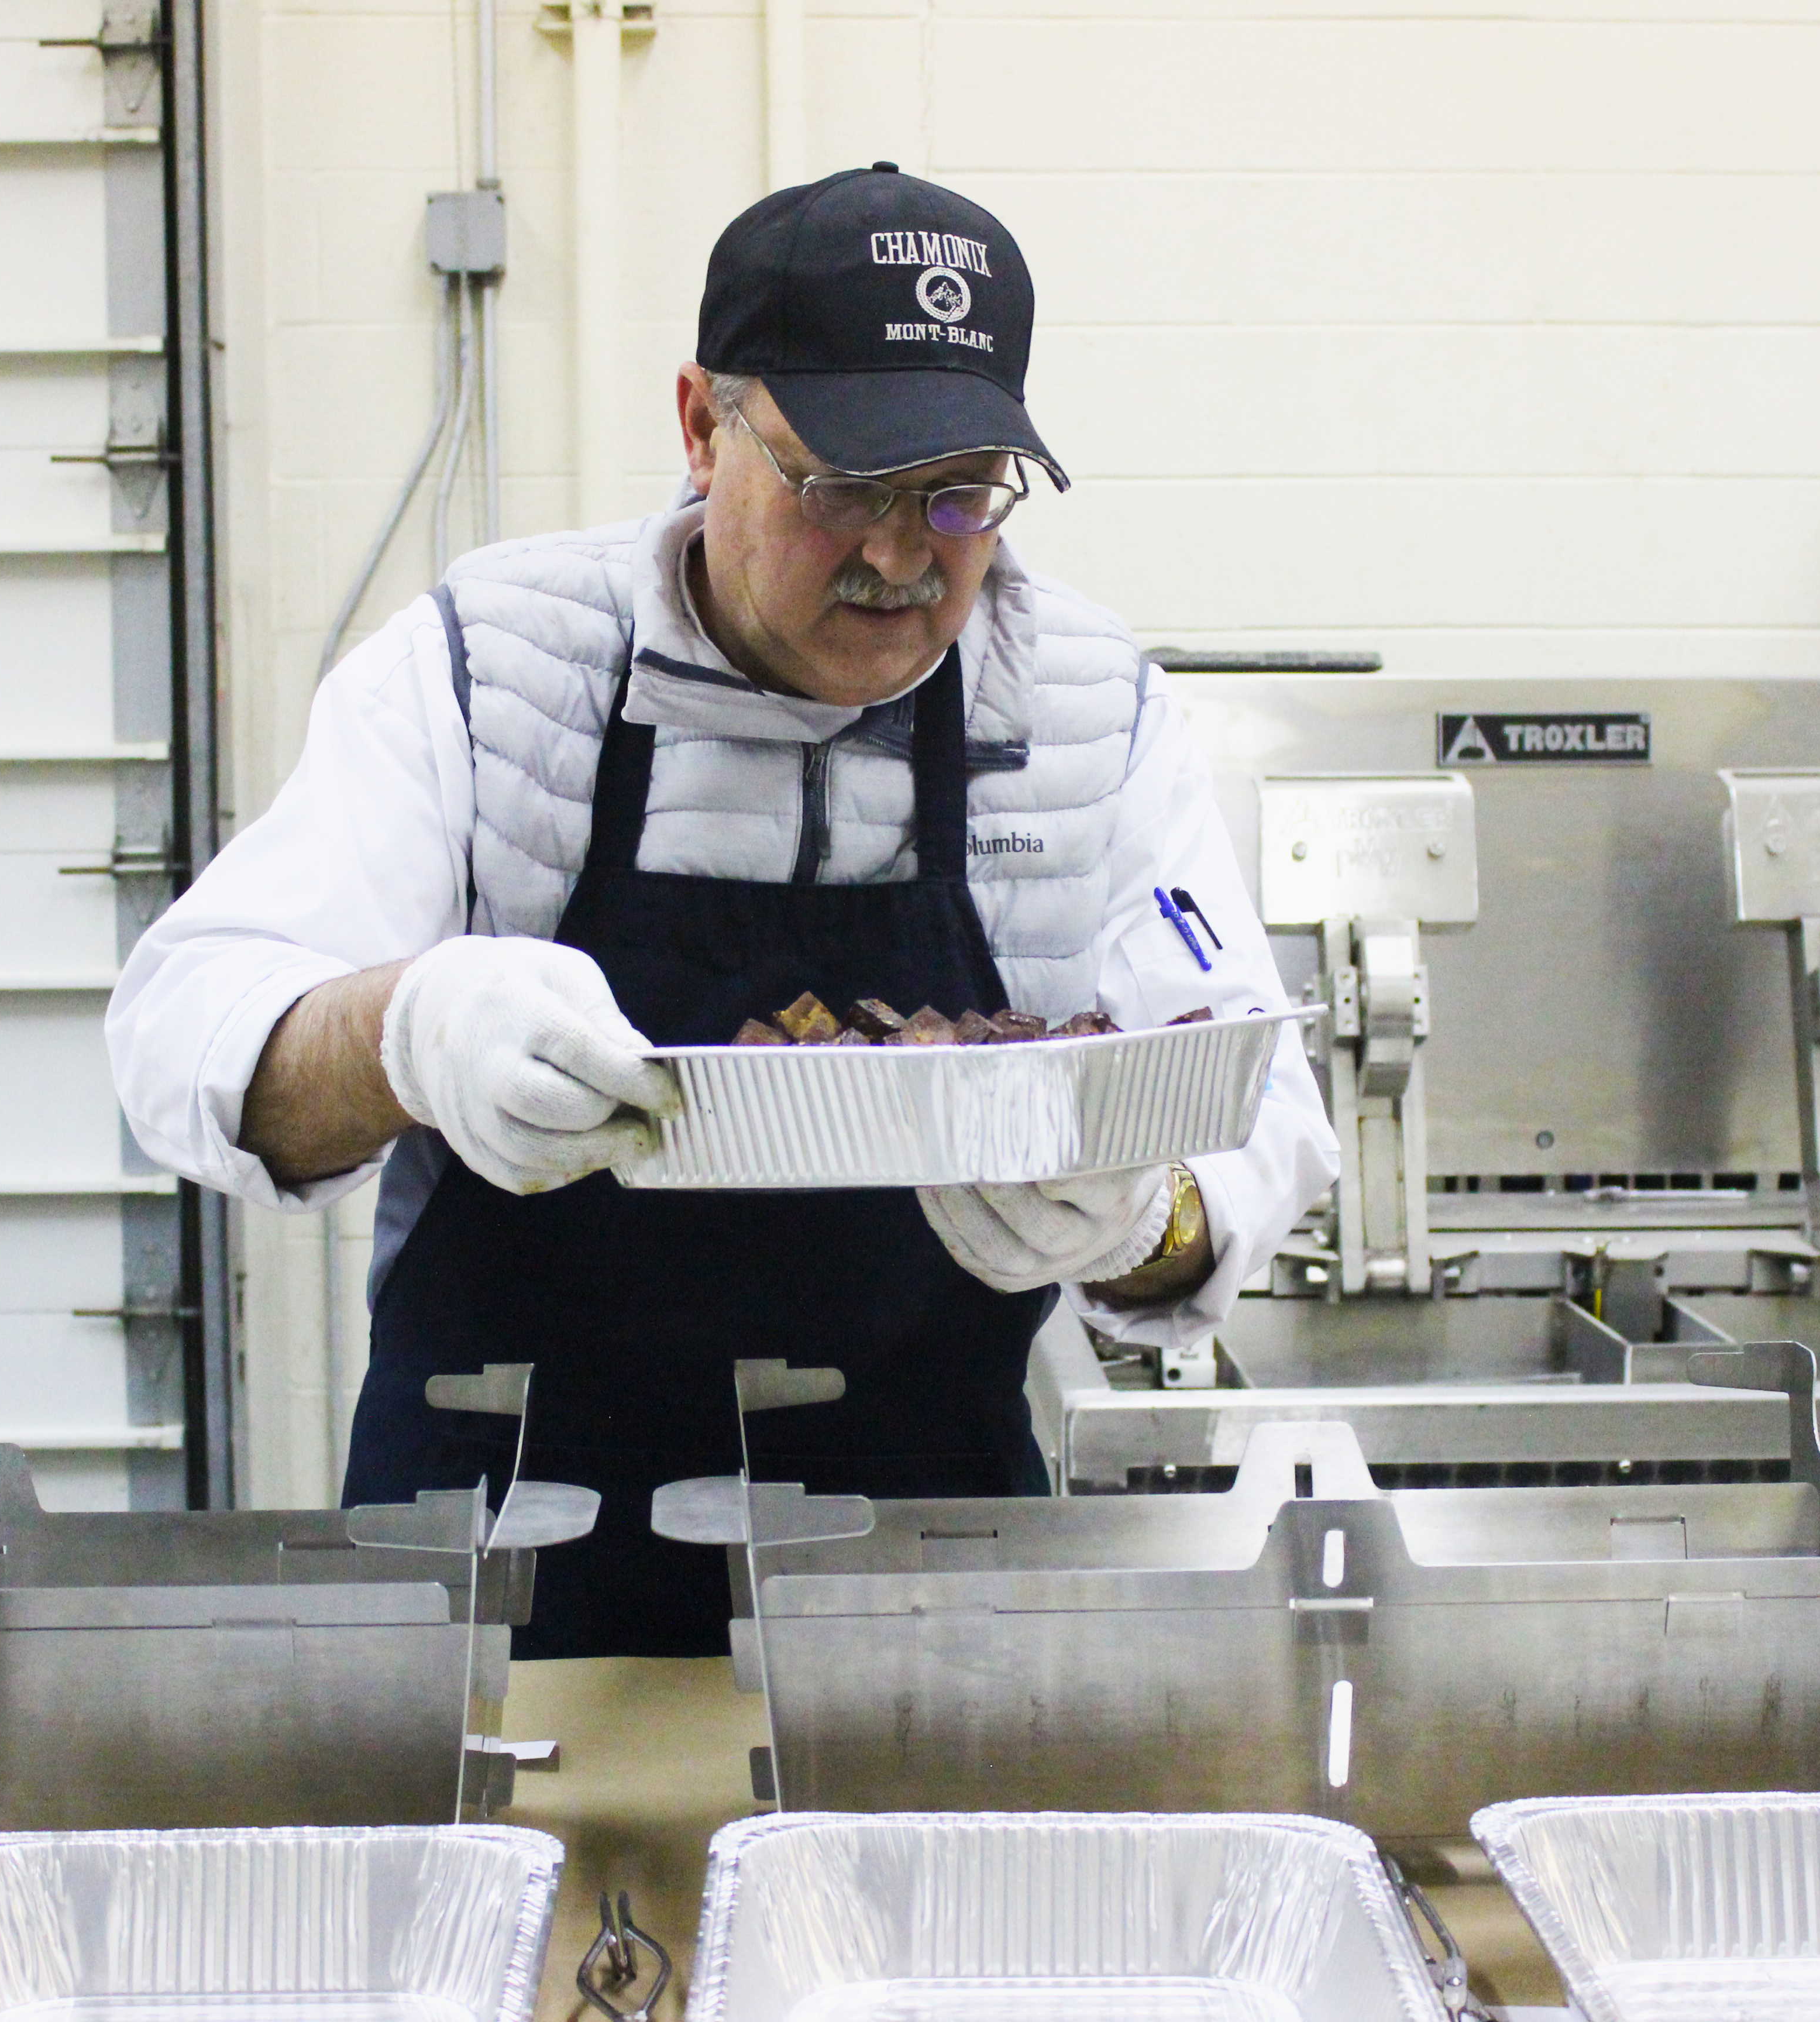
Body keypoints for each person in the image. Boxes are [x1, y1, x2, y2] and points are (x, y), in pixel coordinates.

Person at [108, 164, 1336, 1656]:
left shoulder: (1083, 707)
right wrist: (403, 1032)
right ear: (702, 426)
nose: (899, 558)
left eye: (955, 495)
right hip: (507, 1581)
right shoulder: (494, 672)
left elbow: (1255, 1097)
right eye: (839, 488)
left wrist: (1147, 1214)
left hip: (927, 1601)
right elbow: (184, 1034)